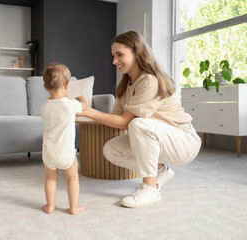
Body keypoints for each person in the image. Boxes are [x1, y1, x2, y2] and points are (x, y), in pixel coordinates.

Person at [78, 31, 201, 208]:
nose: (114, 61)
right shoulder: (125, 86)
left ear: (137, 52)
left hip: (184, 141)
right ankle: (160, 170)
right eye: (113, 56)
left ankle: (150, 189)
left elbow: (126, 122)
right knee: (111, 150)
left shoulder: (149, 80)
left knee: (137, 123)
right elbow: (116, 119)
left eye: (120, 55)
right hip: (159, 139)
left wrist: (88, 111)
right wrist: (84, 110)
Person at [41, 62, 87, 215]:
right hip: (66, 153)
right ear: (68, 84)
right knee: (72, 179)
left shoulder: (44, 106)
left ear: (45, 87)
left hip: (48, 152)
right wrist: (79, 96)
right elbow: (84, 106)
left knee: (50, 179)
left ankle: (50, 206)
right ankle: (74, 207)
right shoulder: (71, 104)